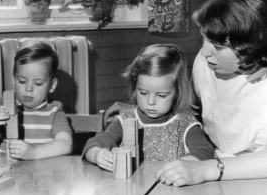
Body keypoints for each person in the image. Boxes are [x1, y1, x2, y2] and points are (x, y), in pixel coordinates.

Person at [105, 0, 267, 186]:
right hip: (211, 172)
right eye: (204, 38)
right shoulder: (206, 63)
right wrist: (138, 111)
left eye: (219, 46)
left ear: (254, 46)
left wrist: (210, 168)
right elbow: (187, 110)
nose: (204, 52)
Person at [82, 44, 214, 171]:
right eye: (143, 93)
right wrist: (96, 154)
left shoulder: (185, 123)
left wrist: (184, 164)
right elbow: (95, 143)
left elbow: (205, 151)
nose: (150, 102)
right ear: (135, 88)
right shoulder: (126, 120)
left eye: (161, 95)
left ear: (177, 92)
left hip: (171, 191)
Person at [0, 40, 73, 160]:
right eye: (22, 81)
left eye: (38, 83)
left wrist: (35, 152)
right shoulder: (5, 107)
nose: (28, 88)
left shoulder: (54, 112)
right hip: (8, 173)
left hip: (43, 174)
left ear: (52, 85)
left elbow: (66, 144)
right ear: (13, 81)